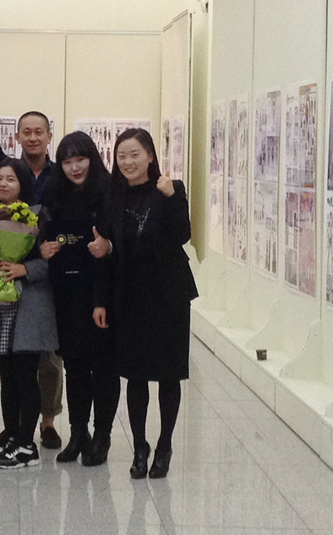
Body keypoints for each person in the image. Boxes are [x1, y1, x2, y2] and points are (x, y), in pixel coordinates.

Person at [0, 65, 65, 450]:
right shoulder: (8, 172)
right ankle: (17, 429)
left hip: (41, 283)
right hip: (5, 289)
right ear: (18, 136)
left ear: (49, 135)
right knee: (12, 366)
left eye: (40, 131)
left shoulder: (58, 176)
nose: (33, 137)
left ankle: (46, 423)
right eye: (27, 132)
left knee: (47, 361)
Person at [104, 127, 197, 480]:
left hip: (169, 295)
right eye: (121, 156)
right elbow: (111, 244)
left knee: (169, 375)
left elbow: (182, 234)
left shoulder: (170, 189)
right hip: (130, 295)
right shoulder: (114, 196)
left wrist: (172, 198)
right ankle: (140, 447)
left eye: (135, 155)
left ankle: (165, 445)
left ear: (150, 156)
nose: (128, 162)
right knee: (136, 375)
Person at [0, 158, 57, 469]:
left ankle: (27, 445)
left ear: (23, 184)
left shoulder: (39, 216)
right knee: (6, 376)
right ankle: (12, 436)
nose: (3, 184)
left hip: (28, 306)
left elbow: (51, 263)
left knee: (25, 375)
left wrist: (24, 269)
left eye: (11, 179)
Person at [38, 132, 117, 467]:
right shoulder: (55, 194)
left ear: (92, 158)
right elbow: (44, 235)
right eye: (67, 161)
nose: (74, 167)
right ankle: (78, 433)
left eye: (80, 159)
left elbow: (119, 248)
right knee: (74, 366)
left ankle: (102, 436)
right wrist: (43, 247)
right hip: (66, 294)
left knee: (103, 367)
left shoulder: (109, 193)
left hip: (100, 296)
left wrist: (101, 298)